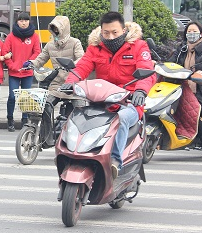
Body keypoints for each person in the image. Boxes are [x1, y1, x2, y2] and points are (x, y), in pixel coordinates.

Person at [62, 11, 155, 178]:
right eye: (106, 33)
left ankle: (115, 161)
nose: (110, 37)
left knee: (122, 118)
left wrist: (141, 91)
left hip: (129, 102)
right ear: (101, 32)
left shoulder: (139, 46)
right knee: (77, 116)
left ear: (123, 30)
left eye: (115, 32)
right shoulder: (95, 48)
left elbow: (147, 70)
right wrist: (70, 82)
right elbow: (82, 67)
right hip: (100, 102)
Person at [25, 15, 84, 140]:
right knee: (45, 105)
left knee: (81, 112)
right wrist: (31, 63)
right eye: (53, 29)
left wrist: (73, 66)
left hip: (74, 84)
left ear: (65, 29)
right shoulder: (50, 45)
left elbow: (81, 58)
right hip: (56, 84)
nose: (56, 32)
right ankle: (47, 137)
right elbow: (41, 58)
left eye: (58, 29)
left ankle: (79, 140)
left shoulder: (75, 42)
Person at [171, 21, 202, 161]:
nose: (191, 34)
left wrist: (201, 75)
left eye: (194, 32)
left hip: (201, 90)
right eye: (189, 31)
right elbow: (171, 62)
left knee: (193, 111)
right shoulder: (181, 48)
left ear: (200, 33)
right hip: (181, 87)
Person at [3, 12, 41, 131]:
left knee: (25, 97)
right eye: (21, 21)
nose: (23, 23)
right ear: (17, 22)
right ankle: (10, 119)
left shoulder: (34, 36)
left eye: (25, 20)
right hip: (14, 72)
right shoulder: (10, 36)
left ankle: (25, 119)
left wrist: (29, 62)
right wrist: (13, 66)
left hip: (27, 72)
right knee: (12, 97)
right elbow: (5, 53)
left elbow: (37, 52)